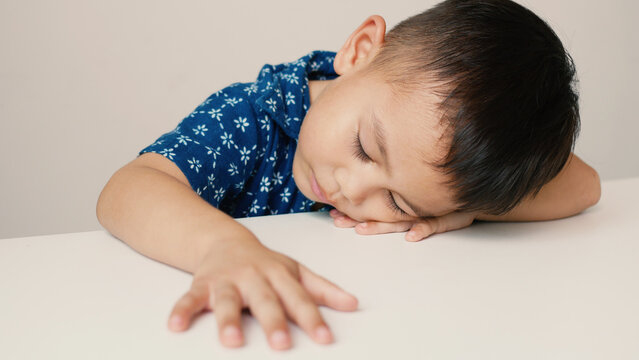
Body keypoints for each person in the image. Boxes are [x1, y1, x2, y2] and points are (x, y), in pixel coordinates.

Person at [96, 0, 600, 351]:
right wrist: (223, 247)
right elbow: (127, 188)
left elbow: (585, 185)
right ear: (359, 52)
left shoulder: (417, 172)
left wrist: (463, 203)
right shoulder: (251, 118)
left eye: (398, 202)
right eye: (364, 147)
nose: (353, 191)